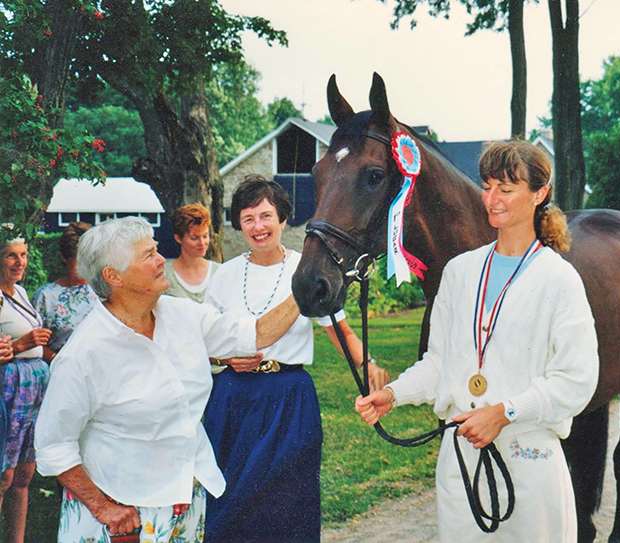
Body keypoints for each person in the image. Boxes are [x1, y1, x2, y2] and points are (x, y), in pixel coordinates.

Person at [355, 141, 600, 543]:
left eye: (506, 188)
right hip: (462, 463)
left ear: (539, 194)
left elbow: (576, 379)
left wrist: (504, 412)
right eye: (487, 186)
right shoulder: (460, 272)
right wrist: (394, 395)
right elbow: (440, 364)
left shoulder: (559, 279)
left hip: (529, 458)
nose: (491, 199)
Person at [34, 217, 302, 543]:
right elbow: (53, 446)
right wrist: (102, 507)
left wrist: (305, 290)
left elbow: (255, 334)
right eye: (148, 255)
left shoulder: (181, 314)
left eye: (156, 250)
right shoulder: (82, 354)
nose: (162, 259)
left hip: (184, 503)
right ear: (113, 276)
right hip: (121, 519)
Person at [203, 175, 390, 543]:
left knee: (288, 501)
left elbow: (340, 331)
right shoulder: (223, 276)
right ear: (238, 224)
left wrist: (367, 365)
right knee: (231, 499)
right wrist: (225, 361)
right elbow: (203, 341)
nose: (258, 226)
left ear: (283, 218)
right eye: (248, 218)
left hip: (289, 398)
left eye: (266, 215)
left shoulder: (307, 269)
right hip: (233, 399)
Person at [0, 238, 53, 543]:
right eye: (11, 256)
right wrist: (23, 344)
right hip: (9, 386)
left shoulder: (20, 292)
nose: (19, 262)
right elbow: (10, 348)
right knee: (3, 475)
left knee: (23, 475)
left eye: (23, 255)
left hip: (33, 386)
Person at [33, 222, 99, 353]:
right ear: (64, 257)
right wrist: (56, 361)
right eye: (78, 260)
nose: (84, 266)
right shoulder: (46, 296)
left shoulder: (104, 291)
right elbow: (35, 343)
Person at [164, 204, 219, 303]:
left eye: (205, 236)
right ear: (178, 238)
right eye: (194, 238)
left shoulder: (219, 272)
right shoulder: (165, 275)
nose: (202, 243)